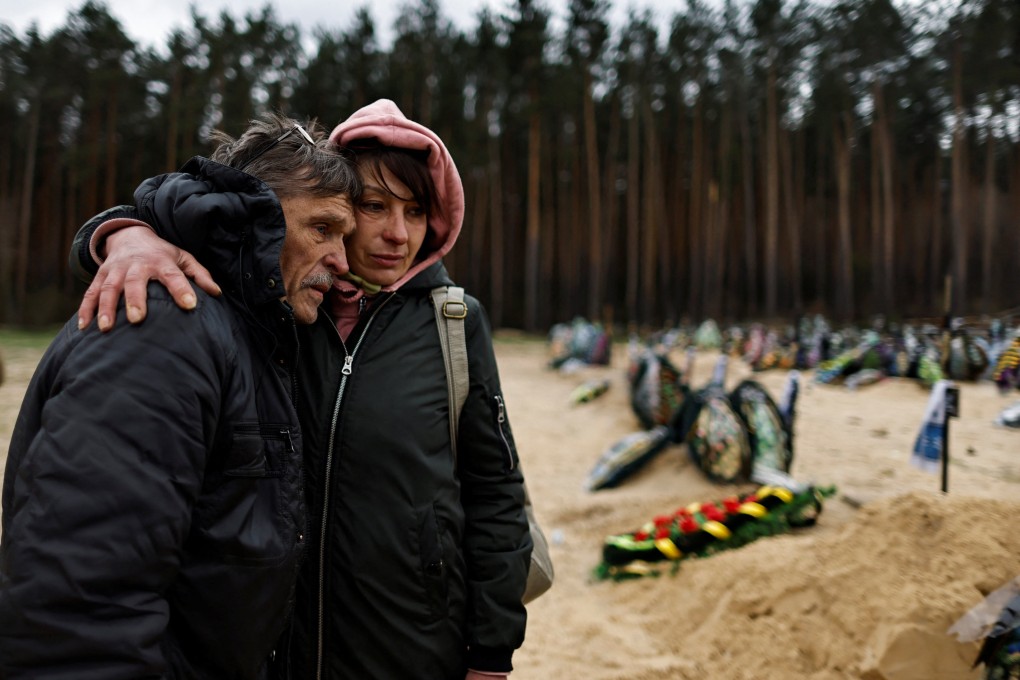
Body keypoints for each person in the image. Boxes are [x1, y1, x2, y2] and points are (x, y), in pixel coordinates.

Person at [69, 99, 532, 680]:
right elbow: (204, 214)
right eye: (374, 205)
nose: (396, 233)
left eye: (416, 211)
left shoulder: (456, 322)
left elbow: (496, 493)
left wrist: (491, 653)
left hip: (411, 644)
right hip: (276, 649)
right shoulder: (277, 305)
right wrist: (124, 234)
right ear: (335, 203)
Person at [1, 113, 361, 678]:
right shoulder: (162, 324)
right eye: (323, 229)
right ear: (252, 215)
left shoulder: (255, 333)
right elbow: (79, 606)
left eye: (346, 239)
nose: (343, 264)